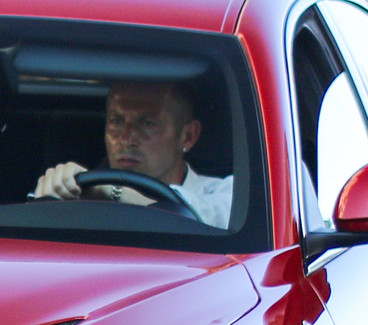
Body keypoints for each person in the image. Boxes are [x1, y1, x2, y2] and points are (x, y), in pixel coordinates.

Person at [27, 79, 233, 227]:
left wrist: (112, 192)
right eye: (116, 121)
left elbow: (212, 216)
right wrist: (57, 189)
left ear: (188, 136)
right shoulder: (80, 195)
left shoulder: (225, 193)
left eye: (147, 123)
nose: (125, 139)